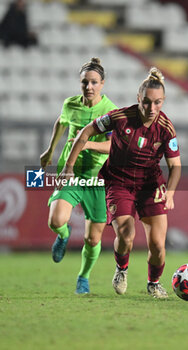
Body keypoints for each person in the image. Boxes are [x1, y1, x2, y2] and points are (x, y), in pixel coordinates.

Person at [58, 67, 181, 298]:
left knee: (157, 246)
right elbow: (85, 132)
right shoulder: (120, 117)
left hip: (150, 186)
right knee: (126, 235)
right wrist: (69, 167)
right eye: (146, 102)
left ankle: (153, 283)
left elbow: (175, 166)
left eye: (157, 103)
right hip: (119, 183)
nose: (151, 108)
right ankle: (121, 269)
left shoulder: (166, 128)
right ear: (138, 99)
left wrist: (171, 193)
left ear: (163, 101)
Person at [40, 57, 117, 294]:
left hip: (98, 179)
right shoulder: (70, 105)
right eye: (85, 82)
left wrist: (87, 145)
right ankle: (63, 236)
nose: (89, 87)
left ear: (102, 83)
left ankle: (83, 277)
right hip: (70, 172)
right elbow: (60, 123)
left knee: (93, 239)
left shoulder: (111, 111)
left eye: (94, 82)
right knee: (55, 221)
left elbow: (113, 147)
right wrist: (50, 149)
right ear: (80, 83)